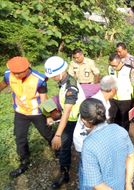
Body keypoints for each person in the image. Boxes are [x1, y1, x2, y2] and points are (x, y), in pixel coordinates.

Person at [0, 56, 55, 178]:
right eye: (14, 73)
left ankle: (58, 151)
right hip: (20, 112)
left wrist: (49, 116)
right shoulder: (9, 75)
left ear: (27, 68)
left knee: (47, 133)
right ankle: (24, 163)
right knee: (20, 138)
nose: (16, 75)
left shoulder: (40, 79)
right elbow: (3, 85)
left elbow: (44, 99)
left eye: (19, 73)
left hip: (37, 112)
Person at [44, 56, 86, 189]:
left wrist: (57, 135)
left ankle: (89, 172)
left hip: (78, 121)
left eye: (54, 76)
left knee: (83, 147)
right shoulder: (63, 82)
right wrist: (54, 117)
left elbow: (67, 112)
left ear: (61, 72)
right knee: (64, 147)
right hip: (70, 119)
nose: (52, 78)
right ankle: (65, 174)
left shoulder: (70, 87)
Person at [79, 98, 134, 190]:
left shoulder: (88, 145)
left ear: (84, 120)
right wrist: (128, 183)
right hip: (120, 185)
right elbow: (131, 156)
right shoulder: (120, 130)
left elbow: (97, 184)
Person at [73, 75, 117, 153]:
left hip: (89, 141)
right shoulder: (97, 105)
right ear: (113, 90)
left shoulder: (99, 100)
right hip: (86, 143)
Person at [108, 53, 134, 131]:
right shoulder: (110, 68)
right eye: (111, 65)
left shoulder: (130, 70)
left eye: (115, 65)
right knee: (112, 121)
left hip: (126, 101)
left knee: (124, 122)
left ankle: (124, 139)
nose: (113, 67)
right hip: (113, 99)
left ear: (120, 62)